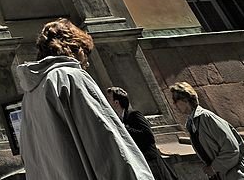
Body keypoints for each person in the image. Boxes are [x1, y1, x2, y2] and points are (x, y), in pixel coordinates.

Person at [14, 18, 153, 180]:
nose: (86, 63)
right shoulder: (71, 77)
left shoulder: (31, 94)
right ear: (76, 48)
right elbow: (106, 143)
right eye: (86, 53)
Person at [169, 82, 244, 180]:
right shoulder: (193, 122)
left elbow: (231, 148)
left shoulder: (207, 117)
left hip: (235, 175)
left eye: (175, 100)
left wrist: (214, 168)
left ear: (185, 99)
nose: (174, 104)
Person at [107, 86, 177, 180]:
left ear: (116, 102)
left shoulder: (134, 114)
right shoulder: (121, 119)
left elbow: (148, 136)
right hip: (140, 162)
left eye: (109, 99)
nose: (107, 102)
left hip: (151, 161)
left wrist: (125, 128)